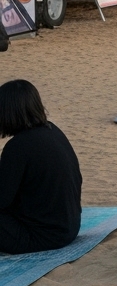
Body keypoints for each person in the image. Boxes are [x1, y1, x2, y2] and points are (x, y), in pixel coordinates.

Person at [0, 80, 82, 254]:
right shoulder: (53, 131)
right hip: (70, 228)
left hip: (42, 236)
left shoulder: (18, 147)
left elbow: (2, 199)